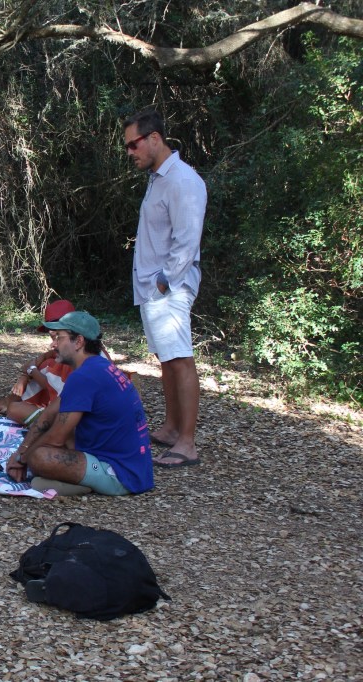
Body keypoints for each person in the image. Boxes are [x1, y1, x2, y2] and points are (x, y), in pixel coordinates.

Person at [123, 109, 206, 468]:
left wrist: (164, 281)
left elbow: (187, 240)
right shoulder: (158, 179)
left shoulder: (183, 180)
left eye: (134, 144)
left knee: (180, 358)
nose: (130, 152)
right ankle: (172, 429)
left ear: (154, 138)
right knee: (167, 359)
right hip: (153, 286)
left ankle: (187, 443)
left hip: (169, 286)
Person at [5, 312, 153, 496]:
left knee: (39, 457)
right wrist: (21, 451)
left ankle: (84, 483)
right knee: (47, 437)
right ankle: (76, 480)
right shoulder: (96, 366)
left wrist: (23, 460)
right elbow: (49, 413)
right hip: (134, 467)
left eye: (59, 338)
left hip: (120, 474)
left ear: (79, 342)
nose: (53, 344)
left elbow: (56, 438)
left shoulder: (84, 376)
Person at [0, 300, 77, 425]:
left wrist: (32, 370)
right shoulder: (72, 349)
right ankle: (13, 402)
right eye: (50, 330)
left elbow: (61, 398)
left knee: (15, 409)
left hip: (72, 420)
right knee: (47, 363)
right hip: (64, 410)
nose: (52, 344)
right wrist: (26, 374)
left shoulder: (79, 360)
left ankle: (16, 404)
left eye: (58, 334)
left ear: (78, 338)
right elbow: (45, 357)